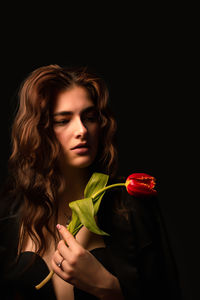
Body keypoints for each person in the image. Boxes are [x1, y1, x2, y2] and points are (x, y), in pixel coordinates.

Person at [0, 64, 182, 299]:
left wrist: (104, 285)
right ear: (38, 130)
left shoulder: (130, 207)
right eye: (63, 120)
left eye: (90, 117)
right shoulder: (8, 214)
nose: (82, 130)